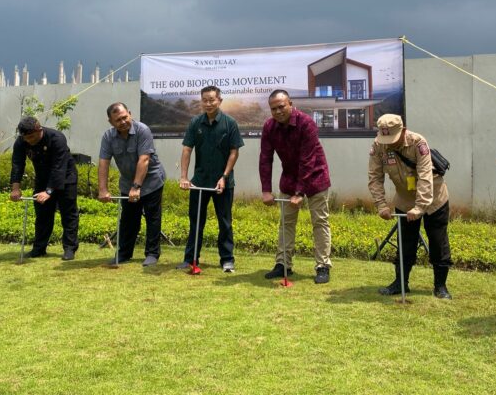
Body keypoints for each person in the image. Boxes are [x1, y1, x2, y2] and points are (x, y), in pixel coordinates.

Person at [368, 114, 453, 299]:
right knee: (405, 244)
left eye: (393, 138)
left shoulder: (418, 142)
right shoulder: (378, 145)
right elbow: (374, 177)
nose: (389, 143)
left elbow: (425, 175)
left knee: (438, 242)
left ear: (403, 131)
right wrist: (381, 205)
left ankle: (440, 286)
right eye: (385, 139)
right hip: (405, 201)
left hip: (434, 200)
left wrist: (420, 206)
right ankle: (400, 283)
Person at [259, 89, 332, 284]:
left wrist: (300, 192)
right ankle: (283, 264)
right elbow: (265, 159)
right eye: (273, 108)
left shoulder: (306, 123)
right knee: (286, 223)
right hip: (290, 179)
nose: (278, 111)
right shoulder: (269, 127)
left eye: (281, 106)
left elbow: (307, 160)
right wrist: (266, 189)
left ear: (290, 103)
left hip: (315, 177)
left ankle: (322, 266)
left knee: (319, 222)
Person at [178, 85, 244, 273]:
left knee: (224, 222)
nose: (208, 103)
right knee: (196, 222)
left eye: (212, 100)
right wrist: (184, 177)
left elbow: (234, 152)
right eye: (205, 100)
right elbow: (187, 149)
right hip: (199, 182)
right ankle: (190, 259)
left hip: (223, 184)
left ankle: (227, 260)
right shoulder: (195, 123)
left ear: (219, 101)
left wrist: (224, 177)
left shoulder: (230, 123)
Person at [98, 102, 166, 266]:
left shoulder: (143, 130)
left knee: (152, 218)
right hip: (127, 183)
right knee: (128, 219)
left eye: (124, 117)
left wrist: (136, 187)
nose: (122, 122)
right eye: (118, 120)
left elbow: (144, 160)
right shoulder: (108, 137)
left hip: (152, 181)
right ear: (111, 122)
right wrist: (103, 189)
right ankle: (123, 253)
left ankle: (152, 254)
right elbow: (103, 163)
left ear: (130, 113)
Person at [10, 116, 80, 260]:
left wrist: (49, 191)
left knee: (68, 214)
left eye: (32, 137)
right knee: (42, 215)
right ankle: (39, 248)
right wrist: (15, 188)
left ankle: (70, 248)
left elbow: (58, 167)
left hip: (66, 177)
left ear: (39, 129)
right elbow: (17, 164)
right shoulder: (21, 141)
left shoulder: (56, 138)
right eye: (26, 138)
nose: (29, 141)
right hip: (42, 178)